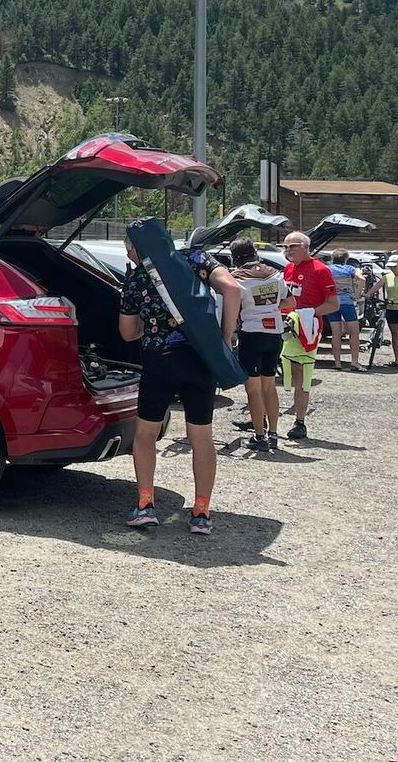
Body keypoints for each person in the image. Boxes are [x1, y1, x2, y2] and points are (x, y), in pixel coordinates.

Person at [118, 228, 242, 535]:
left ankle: (145, 505)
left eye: (129, 251)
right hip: (201, 360)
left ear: (137, 248)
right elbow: (232, 289)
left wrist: (149, 326)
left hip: (160, 361)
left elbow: (127, 333)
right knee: (201, 436)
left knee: (145, 434)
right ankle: (202, 511)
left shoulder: (137, 278)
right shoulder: (197, 258)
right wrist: (225, 337)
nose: (130, 257)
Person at [228, 237, 289, 450]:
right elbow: (290, 301)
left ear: (235, 258)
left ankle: (259, 437)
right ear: (255, 253)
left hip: (252, 334)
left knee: (253, 390)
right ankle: (273, 434)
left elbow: (232, 309)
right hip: (274, 333)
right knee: (269, 386)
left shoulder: (236, 278)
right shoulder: (275, 273)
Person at [281, 231, 338, 440]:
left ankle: (300, 421)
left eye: (293, 246)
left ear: (305, 247)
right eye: (285, 247)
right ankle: (261, 418)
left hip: (307, 329)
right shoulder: (288, 268)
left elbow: (333, 304)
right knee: (272, 373)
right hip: (284, 328)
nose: (288, 250)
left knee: (301, 374)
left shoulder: (320, 270)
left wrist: (308, 313)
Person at [323, 249, 364, 371]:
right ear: (346, 258)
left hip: (332, 303)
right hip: (347, 303)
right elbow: (362, 279)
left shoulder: (327, 269)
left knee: (336, 333)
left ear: (332, 258)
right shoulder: (350, 269)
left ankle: (337, 363)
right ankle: (354, 362)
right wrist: (356, 295)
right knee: (354, 332)